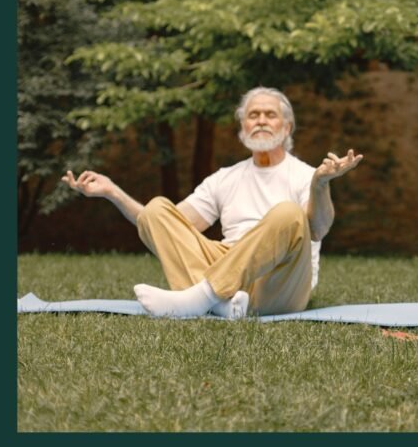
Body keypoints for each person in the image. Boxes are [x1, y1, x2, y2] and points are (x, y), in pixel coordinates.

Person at [62, 86, 363, 319]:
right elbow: (166, 230)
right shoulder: (225, 178)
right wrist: (113, 192)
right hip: (232, 278)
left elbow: (318, 229)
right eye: (252, 115)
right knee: (157, 210)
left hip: (280, 285)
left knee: (288, 213)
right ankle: (221, 303)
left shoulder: (305, 175)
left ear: (287, 128)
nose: (260, 120)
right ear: (242, 129)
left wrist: (320, 184)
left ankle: (203, 297)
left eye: (270, 115)